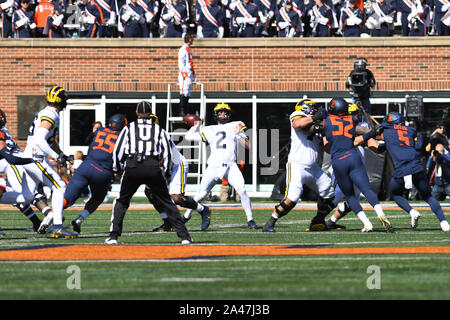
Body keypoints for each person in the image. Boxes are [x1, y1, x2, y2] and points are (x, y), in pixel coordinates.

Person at [106, 101, 193, 244]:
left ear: (136, 113)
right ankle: (184, 237)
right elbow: (168, 154)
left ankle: (113, 236)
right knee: (167, 202)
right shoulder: (159, 129)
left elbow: (117, 150)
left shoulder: (129, 128)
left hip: (133, 165)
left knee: (122, 201)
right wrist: (166, 172)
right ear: (150, 113)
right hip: (152, 166)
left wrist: (117, 169)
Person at [262, 99, 336, 233]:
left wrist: (325, 131)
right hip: (297, 166)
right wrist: (318, 117)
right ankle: (270, 222)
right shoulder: (296, 114)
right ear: (304, 108)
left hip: (313, 168)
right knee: (292, 199)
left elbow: (327, 149)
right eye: (313, 108)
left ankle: (318, 221)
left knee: (329, 192)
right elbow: (298, 124)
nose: (316, 110)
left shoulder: (315, 123)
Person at [322, 98, 393, 232]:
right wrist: (378, 133)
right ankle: (379, 212)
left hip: (339, 160)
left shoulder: (327, 121)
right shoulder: (353, 121)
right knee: (366, 190)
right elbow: (365, 137)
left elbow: (325, 141)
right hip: (353, 158)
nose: (355, 116)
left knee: (347, 196)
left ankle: (366, 223)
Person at [184, 103, 258, 230]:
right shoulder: (208, 129)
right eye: (220, 112)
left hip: (230, 165)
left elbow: (248, 146)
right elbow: (188, 136)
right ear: (215, 115)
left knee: (242, 190)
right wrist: (195, 126)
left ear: (229, 114)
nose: (223, 115)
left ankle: (250, 220)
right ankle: (186, 216)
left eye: (225, 112)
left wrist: (239, 133)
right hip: (213, 165)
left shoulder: (235, 124)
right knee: (201, 194)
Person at [374, 112, 450, 231]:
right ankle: (444, 222)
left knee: (396, 194)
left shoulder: (387, 132)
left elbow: (380, 140)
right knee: (428, 196)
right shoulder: (410, 131)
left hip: (402, 169)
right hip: (416, 166)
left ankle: (412, 211)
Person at [23, 86, 77, 239]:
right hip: (35, 157)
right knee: (60, 186)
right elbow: (40, 140)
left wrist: (61, 154)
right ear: (63, 101)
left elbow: (50, 141)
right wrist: (55, 156)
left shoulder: (48, 113)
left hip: (30, 156)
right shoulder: (50, 115)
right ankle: (58, 227)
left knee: (24, 197)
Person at [143, 111, 211, 232]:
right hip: (162, 168)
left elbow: (164, 158)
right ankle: (167, 222)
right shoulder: (141, 137)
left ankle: (203, 209)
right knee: (149, 192)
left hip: (175, 165)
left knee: (176, 198)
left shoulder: (161, 135)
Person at [67, 114, 126, 233]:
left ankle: (50, 217)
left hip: (87, 166)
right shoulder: (123, 137)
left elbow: (87, 140)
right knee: (97, 198)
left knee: (67, 197)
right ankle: (80, 218)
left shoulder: (99, 130)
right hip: (102, 171)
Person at [178, 32, 196, 116]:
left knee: (188, 92)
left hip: (189, 73)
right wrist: (185, 75)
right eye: (192, 39)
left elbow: (190, 62)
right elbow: (181, 63)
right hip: (184, 74)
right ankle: (182, 111)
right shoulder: (183, 49)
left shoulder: (189, 49)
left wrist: (193, 74)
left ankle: (186, 110)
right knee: (184, 91)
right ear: (189, 39)